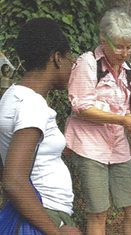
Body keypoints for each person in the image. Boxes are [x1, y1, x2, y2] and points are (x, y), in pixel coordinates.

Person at [64, 8, 131, 235]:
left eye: (129, 46)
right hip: (90, 145)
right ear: (103, 40)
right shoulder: (88, 63)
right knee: (98, 212)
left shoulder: (130, 72)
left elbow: (130, 112)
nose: (125, 52)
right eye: (119, 46)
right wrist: (122, 119)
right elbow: (81, 107)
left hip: (117, 146)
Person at [0, 18, 81, 234]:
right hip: (45, 215)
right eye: (69, 57)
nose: (72, 64)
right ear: (57, 58)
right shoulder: (32, 105)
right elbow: (14, 180)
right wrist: (56, 232)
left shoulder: (13, 95)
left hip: (38, 212)